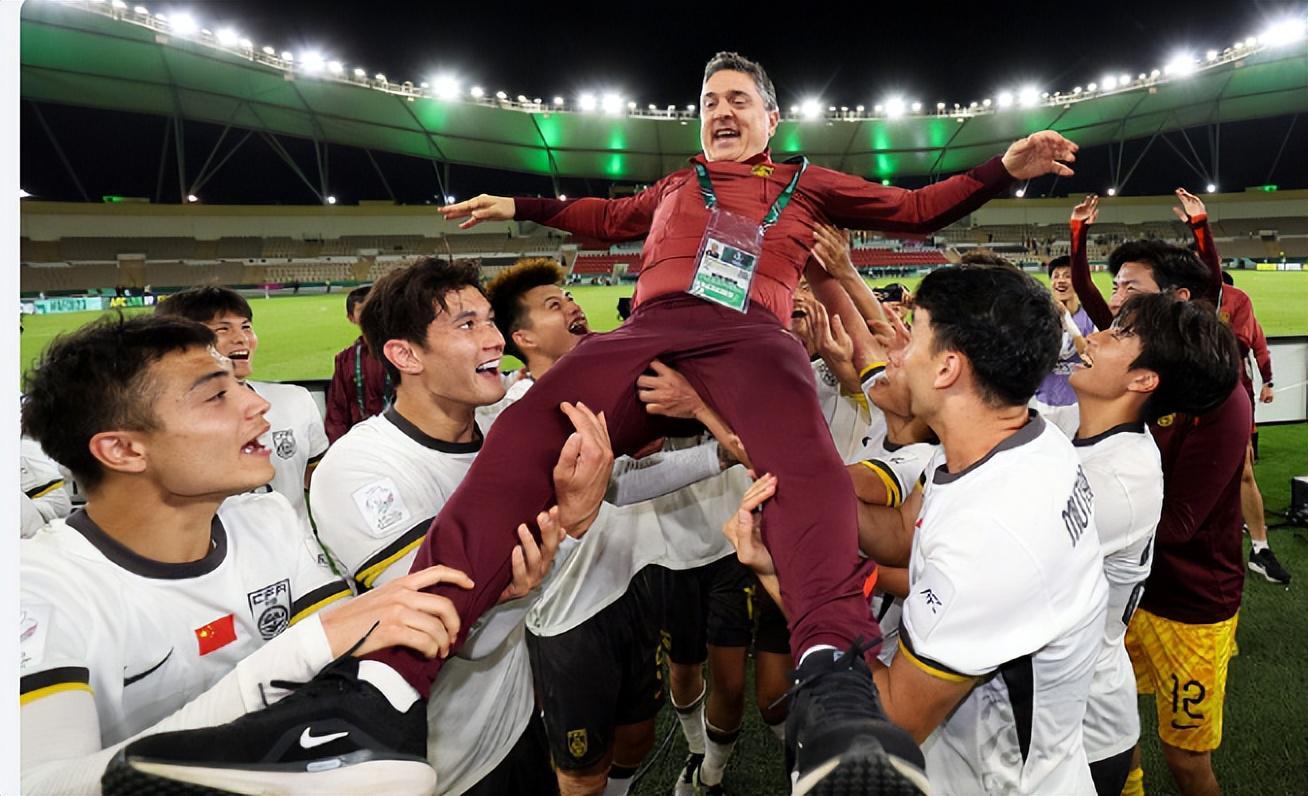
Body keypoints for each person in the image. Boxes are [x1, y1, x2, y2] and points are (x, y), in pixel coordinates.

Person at [112, 50, 1078, 794]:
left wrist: (1005, 165)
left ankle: (834, 675)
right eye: (709, 102)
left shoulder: (806, 184)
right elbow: (598, 217)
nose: (721, 112)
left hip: (754, 337)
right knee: (527, 437)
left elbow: (916, 208)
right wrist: (519, 204)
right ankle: (382, 690)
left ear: (772, 121)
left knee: (803, 462)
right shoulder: (673, 190)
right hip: (651, 330)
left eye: (739, 100)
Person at [18, 315, 477, 795]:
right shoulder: (37, 589)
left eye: (238, 386)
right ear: (123, 449)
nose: (258, 403)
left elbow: (349, 676)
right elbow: (39, 785)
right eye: (217, 395)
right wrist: (305, 648)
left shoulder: (267, 520)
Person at [731, 264, 1108, 794]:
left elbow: (890, 714)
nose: (897, 354)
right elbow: (903, 531)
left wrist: (783, 574)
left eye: (913, 338)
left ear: (948, 368)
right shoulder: (1017, 442)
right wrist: (811, 497)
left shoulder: (993, 533)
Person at [306, 258, 620, 795]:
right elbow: (448, 632)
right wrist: (570, 527)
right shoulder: (359, 471)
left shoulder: (503, 425)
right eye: (467, 325)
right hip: (442, 765)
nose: (495, 340)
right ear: (405, 355)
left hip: (516, 721)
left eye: (490, 321)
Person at [1068, 193, 1252, 796]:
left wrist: (1093, 521)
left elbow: (1178, 522)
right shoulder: (1138, 377)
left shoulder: (1221, 399)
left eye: (1131, 290)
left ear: (1176, 299)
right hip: (1133, 588)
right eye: (1116, 289)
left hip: (1191, 600)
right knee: (1116, 723)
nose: (1115, 302)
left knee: (1186, 757)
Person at [1041, 293, 1240, 795]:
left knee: (1188, 755)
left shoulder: (1115, 483)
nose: (1095, 337)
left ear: (1143, 381)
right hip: (1060, 711)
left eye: (1121, 333)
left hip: (1076, 731)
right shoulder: (1082, 427)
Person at [155, 286, 329, 533]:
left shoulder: (295, 400)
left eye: (246, 327)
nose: (242, 338)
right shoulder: (160, 422)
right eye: (222, 329)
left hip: (298, 550)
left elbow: (316, 475)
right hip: (213, 553)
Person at [1218, 272, 1289, 583]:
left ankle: (1260, 549)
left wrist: (1268, 381)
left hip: (1232, 391)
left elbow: (1254, 343)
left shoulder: (1237, 300)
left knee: (1244, 468)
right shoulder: (1175, 297)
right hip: (1188, 394)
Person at [324, 284, 393, 444]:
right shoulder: (345, 360)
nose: (371, 315)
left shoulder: (408, 354)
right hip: (361, 443)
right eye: (363, 310)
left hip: (402, 443)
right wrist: (339, 448)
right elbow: (337, 411)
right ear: (351, 318)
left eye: (376, 308)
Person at [1035, 255, 1096, 408]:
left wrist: (1068, 321)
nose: (1061, 280)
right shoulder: (1038, 317)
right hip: (1041, 401)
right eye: (1056, 276)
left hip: (1079, 403)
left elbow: (1091, 358)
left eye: (1068, 276)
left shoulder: (1092, 318)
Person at [19, 435, 72, 537]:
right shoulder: (33, 445)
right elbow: (66, 471)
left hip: (43, 503)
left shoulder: (23, 448)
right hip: (60, 497)